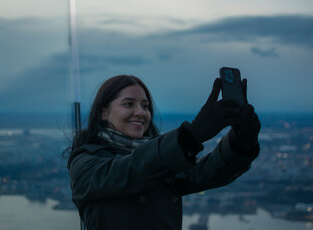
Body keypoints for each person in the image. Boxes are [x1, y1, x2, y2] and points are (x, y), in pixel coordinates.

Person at [65, 75, 260, 230]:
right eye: (128, 104)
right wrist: (192, 135)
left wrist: (241, 140)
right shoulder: (86, 163)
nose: (140, 112)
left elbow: (206, 172)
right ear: (103, 112)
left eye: (145, 105)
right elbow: (131, 170)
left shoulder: (162, 158)